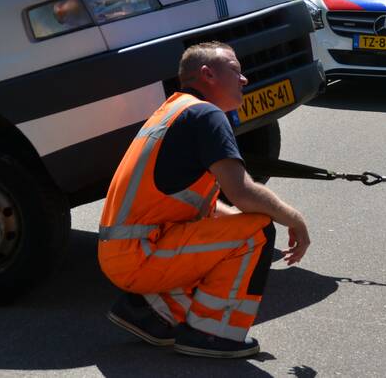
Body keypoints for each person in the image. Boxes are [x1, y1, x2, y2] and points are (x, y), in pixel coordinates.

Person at [97, 41, 311, 359]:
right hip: (141, 255)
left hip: (127, 253)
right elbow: (242, 193)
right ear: (208, 74)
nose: (244, 79)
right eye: (236, 70)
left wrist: (240, 224)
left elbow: (208, 208)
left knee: (237, 228)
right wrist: (295, 218)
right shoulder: (206, 115)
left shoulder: (175, 110)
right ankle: (210, 333)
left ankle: (152, 311)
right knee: (258, 232)